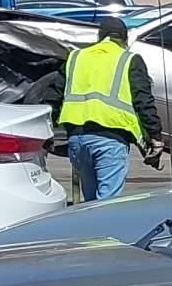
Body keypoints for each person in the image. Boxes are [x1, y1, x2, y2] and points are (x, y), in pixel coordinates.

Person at [50, 17, 164, 201]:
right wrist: (155, 136)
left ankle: (90, 229)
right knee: (107, 204)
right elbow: (143, 101)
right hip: (109, 141)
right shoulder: (129, 60)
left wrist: (48, 132)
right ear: (124, 39)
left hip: (77, 141)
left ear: (99, 37)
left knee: (91, 203)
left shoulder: (76, 57)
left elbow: (54, 95)